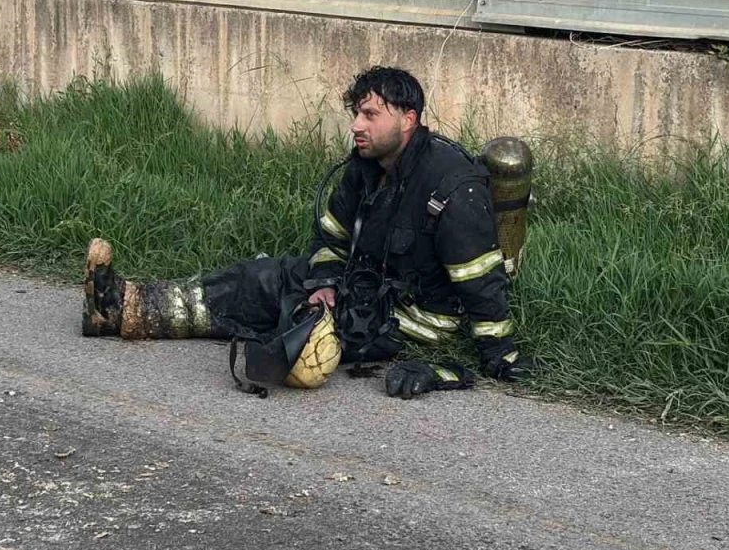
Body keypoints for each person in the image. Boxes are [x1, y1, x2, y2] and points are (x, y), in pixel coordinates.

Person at [81, 66, 530, 398]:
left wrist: (497, 355)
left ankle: (130, 312)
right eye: (356, 113)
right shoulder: (365, 167)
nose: (356, 125)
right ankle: (123, 306)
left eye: (370, 115)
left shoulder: (452, 187)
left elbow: (481, 283)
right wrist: (325, 283)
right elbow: (331, 239)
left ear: (408, 119)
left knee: (289, 318)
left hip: (414, 320)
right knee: (265, 277)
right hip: (364, 290)